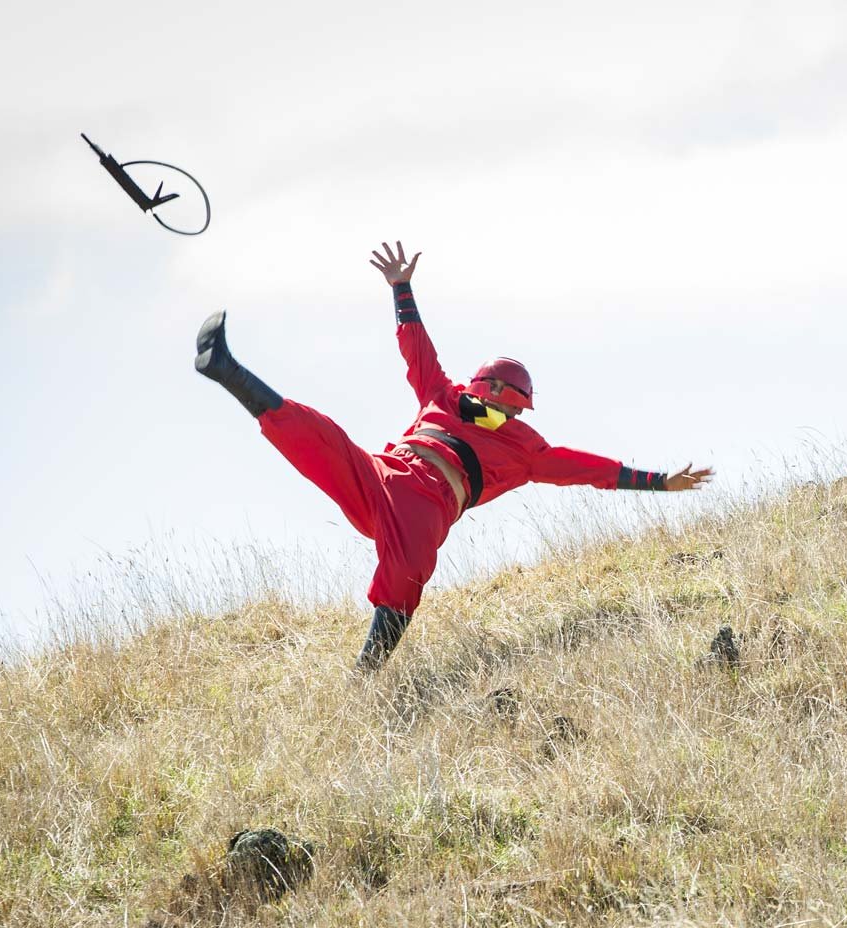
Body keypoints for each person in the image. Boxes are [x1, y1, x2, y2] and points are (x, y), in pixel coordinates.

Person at [194, 240, 714, 669]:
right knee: (319, 433)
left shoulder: (527, 449)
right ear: (487, 391)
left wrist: (659, 480)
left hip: (426, 504)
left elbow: (590, 469)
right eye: (503, 404)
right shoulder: (441, 395)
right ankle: (227, 370)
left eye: (510, 409)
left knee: (410, 572)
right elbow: (416, 346)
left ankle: (365, 672)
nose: (506, 415)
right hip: (382, 474)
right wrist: (402, 289)